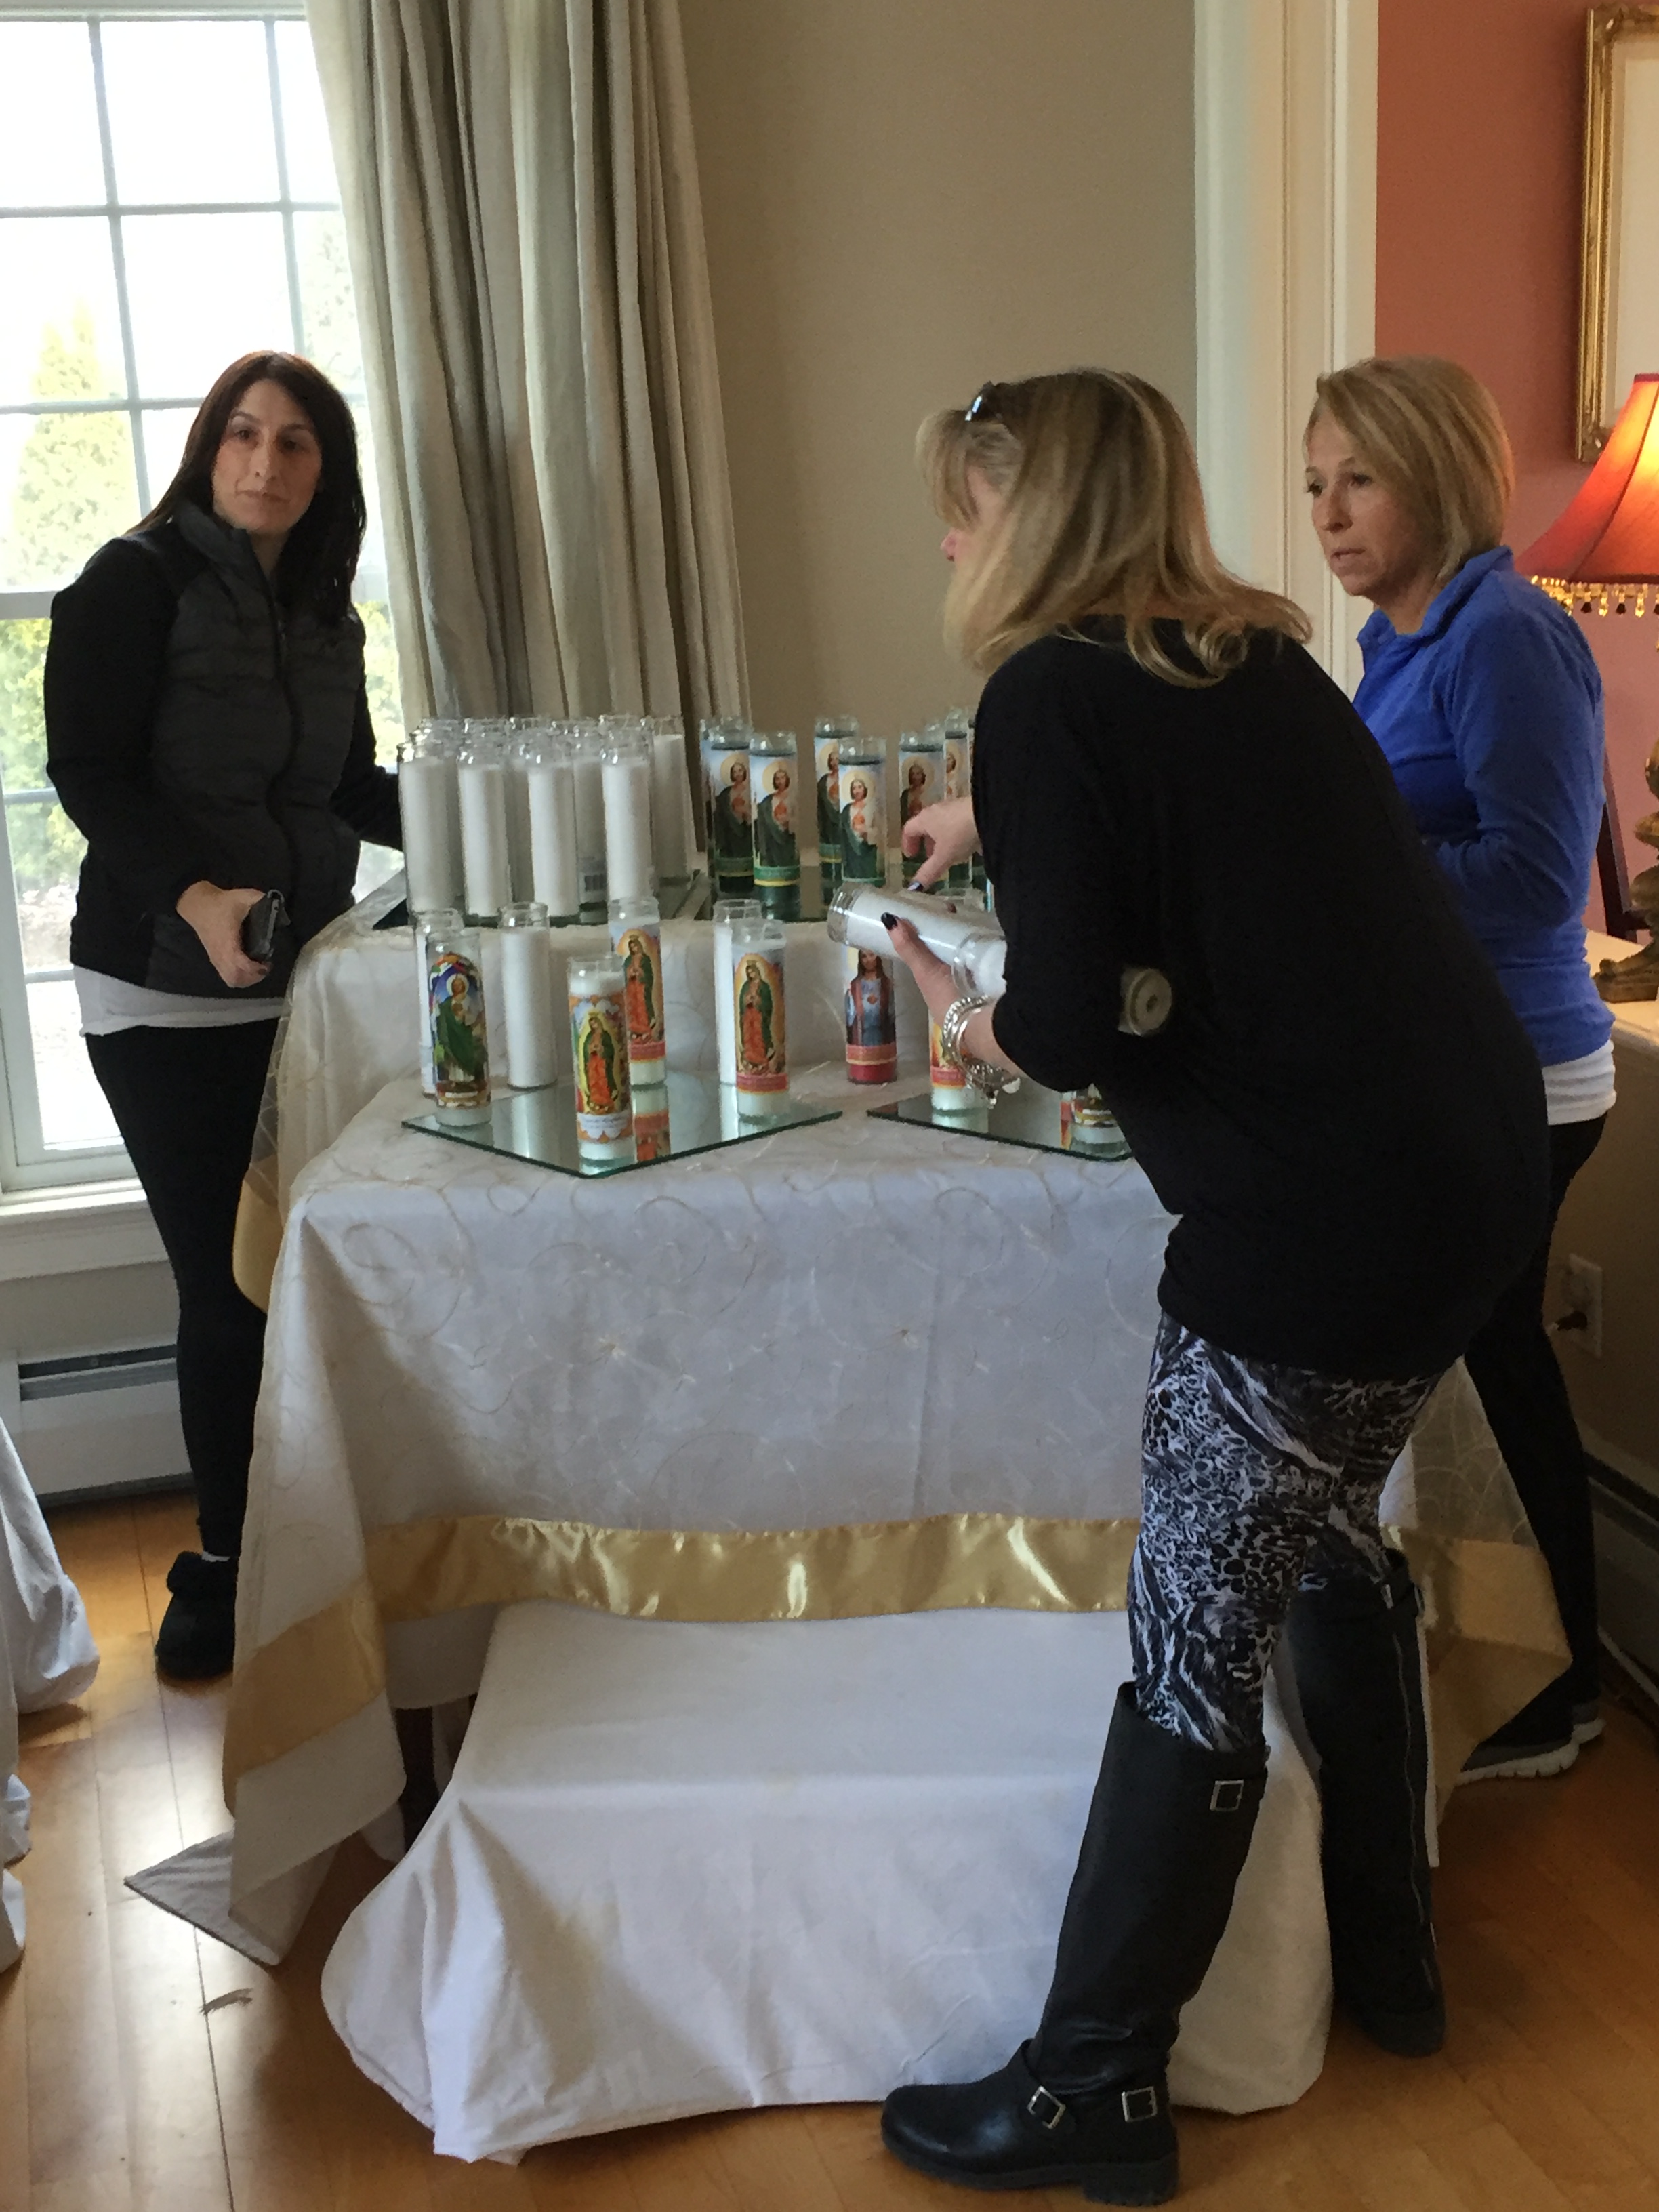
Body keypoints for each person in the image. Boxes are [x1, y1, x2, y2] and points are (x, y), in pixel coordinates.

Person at [877, 370, 1547, 2207]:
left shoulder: (1045, 691)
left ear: (1034, 523)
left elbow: (1073, 1022)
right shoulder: (1248, 661)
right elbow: (1202, 870)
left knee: (1193, 1631)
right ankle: (1391, 1961)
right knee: (1330, 1536)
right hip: (1471, 1176)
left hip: (1314, 1224)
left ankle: (1096, 2083)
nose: (947, 542)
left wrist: (968, 1018)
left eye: (964, 509)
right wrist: (1003, 835)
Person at [45, 352, 401, 1681]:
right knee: (227, 1278)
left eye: (296, 442)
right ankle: (232, 1563)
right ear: (208, 449)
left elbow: (347, 788)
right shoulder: (132, 585)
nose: (266, 462)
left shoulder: (323, 614)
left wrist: (496, 821)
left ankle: (326, 1534)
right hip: (157, 987)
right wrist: (196, 899)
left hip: (295, 988)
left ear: (326, 470)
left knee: (304, 1263)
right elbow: (88, 772)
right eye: (244, 435)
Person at [1306, 356, 1612, 1780]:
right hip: (1457, 1068)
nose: (1327, 513)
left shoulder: (1506, 635)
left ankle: (1550, 1697)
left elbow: (1540, 879)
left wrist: (1345, 872)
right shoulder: (1402, 641)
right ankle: (1538, 1677)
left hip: (1523, 1076)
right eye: (1316, 483)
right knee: (1487, 1374)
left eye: (1358, 479)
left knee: (1492, 1376)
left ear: (1431, 474)